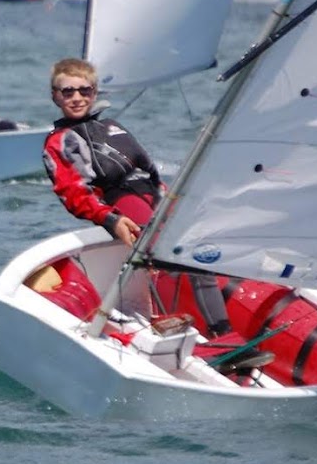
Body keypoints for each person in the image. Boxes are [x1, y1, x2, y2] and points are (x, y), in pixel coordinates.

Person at [42, 57, 241, 344]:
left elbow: (148, 170)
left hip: (153, 196)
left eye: (84, 90)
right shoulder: (59, 141)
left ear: (94, 93)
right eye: (67, 91)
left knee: (198, 249)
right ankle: (209, 338)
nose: (77, 98)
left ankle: (223, 330)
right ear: (55, 96)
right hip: (120, 202)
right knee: (173, 257)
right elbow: (74, 193)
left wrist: (172, 204)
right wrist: (111, 219)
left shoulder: (112, 126)